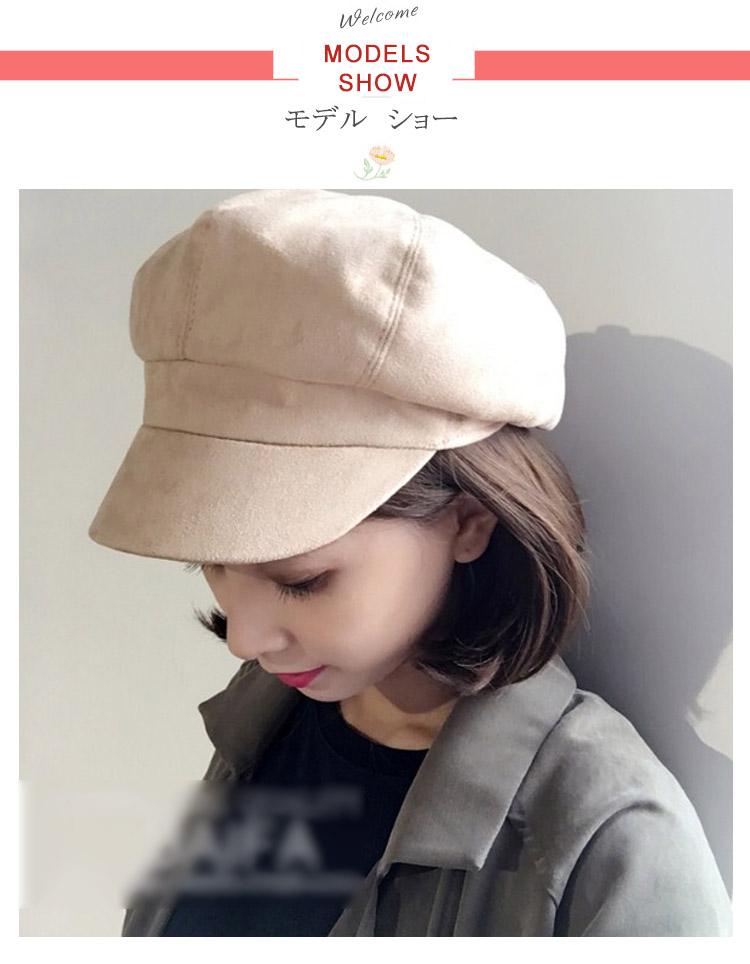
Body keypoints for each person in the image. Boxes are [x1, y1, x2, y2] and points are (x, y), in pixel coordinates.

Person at [88, 189, 731, 937]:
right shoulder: (265, 721)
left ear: (468, 522)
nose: (243, 638)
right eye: (211, 561)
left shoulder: (608, 837)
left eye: (302, 580)